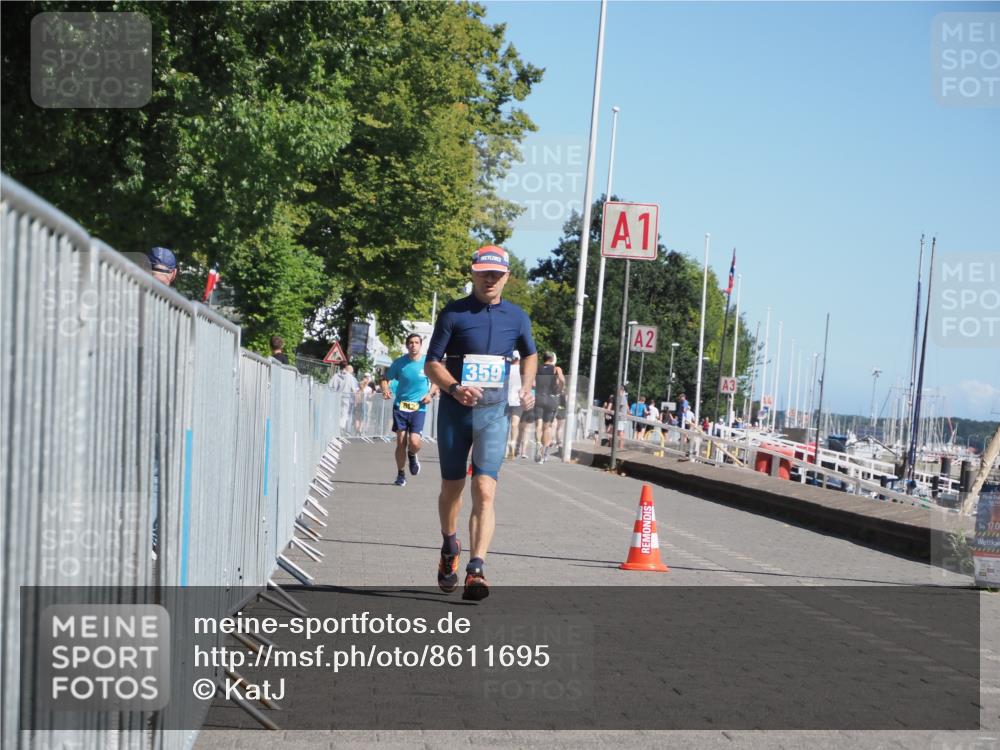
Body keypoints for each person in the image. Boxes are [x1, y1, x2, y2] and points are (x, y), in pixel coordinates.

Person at [425, 245, 537, 601]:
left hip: (493, 413)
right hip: (455, 412)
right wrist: (454, 388)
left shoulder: (517, 317)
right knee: (452, 489)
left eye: (497, 274)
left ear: (506, 277)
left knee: (486, 490)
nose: (490, 279)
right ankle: (449, 544)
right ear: (472, 273)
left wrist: (527, 388)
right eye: (483, 272)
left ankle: (476, 569)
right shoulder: (454, 313)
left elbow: (531, 353)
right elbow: (432, 363)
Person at [381, 333, 437, 486]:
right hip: (401, 406)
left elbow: (436, 380)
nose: (413, 345)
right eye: (410, 343)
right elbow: (385, 379)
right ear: (407, 346)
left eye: (416, 342)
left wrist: (430, 394)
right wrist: (385, 390)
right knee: (400, 442)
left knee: (414, 441)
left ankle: (412, 454)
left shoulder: (427, 362)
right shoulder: (399, 363)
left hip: (419, 407)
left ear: (420, 345)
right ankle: (401, 474)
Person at [532, 352, 565, 463]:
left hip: (539, 397)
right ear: (552, 359)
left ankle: (538, 444)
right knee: (547, 427)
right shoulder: (556, 369)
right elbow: (562, 380)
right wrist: (559, 389)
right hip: (551, 398)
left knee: (538, 425)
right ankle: (543, 454)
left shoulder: (537, 368)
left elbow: (533, 384)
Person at [505, 350, 523, 459]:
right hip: (517, 400)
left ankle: (507, 448)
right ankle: (512, 445)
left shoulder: (506, 369)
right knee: (514, 425)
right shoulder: (522, 370)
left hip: (506, 400)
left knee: (506, 425)